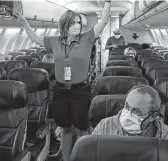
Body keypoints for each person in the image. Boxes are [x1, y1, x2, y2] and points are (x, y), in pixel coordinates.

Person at [14, 1, 111, 161]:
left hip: (80, 90)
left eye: (79, 23)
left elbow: (104, 21)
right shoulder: (55, 41)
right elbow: (34, 38)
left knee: (82, 128)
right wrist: (25, 22)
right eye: (73, 23)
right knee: (65, 128)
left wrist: (107, 2)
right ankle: (66, 158)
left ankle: (83, 156)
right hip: (61, 91)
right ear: (65, 25)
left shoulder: (87, 38)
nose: (77, 26)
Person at [92, 85, 168, 160]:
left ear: (152, 116)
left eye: (137, 111)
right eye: (127, 106)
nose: (128, 114)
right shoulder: (104, 126)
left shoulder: (167, 137)